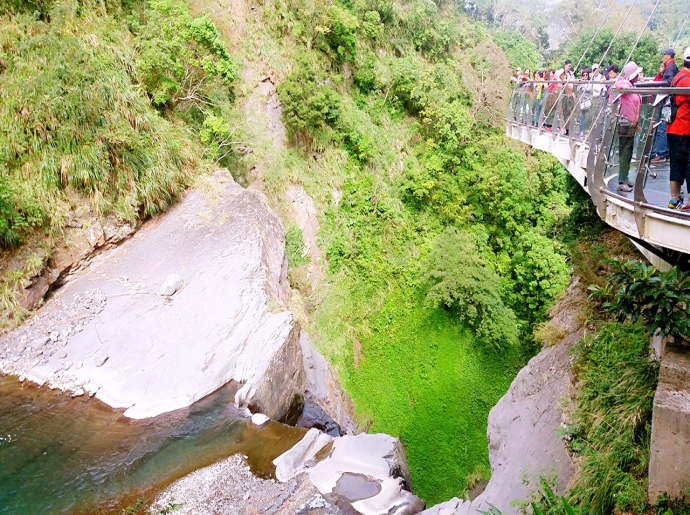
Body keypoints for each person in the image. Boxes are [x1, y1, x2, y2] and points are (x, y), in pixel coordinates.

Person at [613, 61, 643, 193]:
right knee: (624, 152)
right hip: (624, 124)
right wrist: (627, 83)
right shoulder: (625, 85)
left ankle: (624, 178)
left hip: (631, 124)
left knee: (629, 151)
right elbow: (618, 85)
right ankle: (621, 181)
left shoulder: (633, 87)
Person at [667, 47, 690, 210]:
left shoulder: (678, 77)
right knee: (687, 163)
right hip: (684, 128)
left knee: (675, 163)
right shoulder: (687, 79)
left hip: (673, 127)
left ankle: (674, 199)